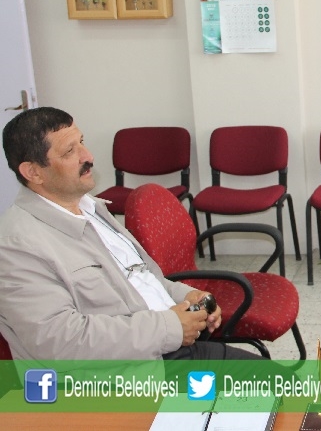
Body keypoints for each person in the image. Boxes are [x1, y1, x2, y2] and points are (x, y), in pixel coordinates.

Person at [0, 107, 260, 360]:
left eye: (82, 142)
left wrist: (185, 296)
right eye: (70, 151)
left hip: (163, 347)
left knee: (278, 383)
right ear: (33, 172)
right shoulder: (17, 246)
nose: (88, 156)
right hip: (122, 377)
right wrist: (170, 327)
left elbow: (140, 280)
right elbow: (58, 342)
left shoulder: (91, 208)